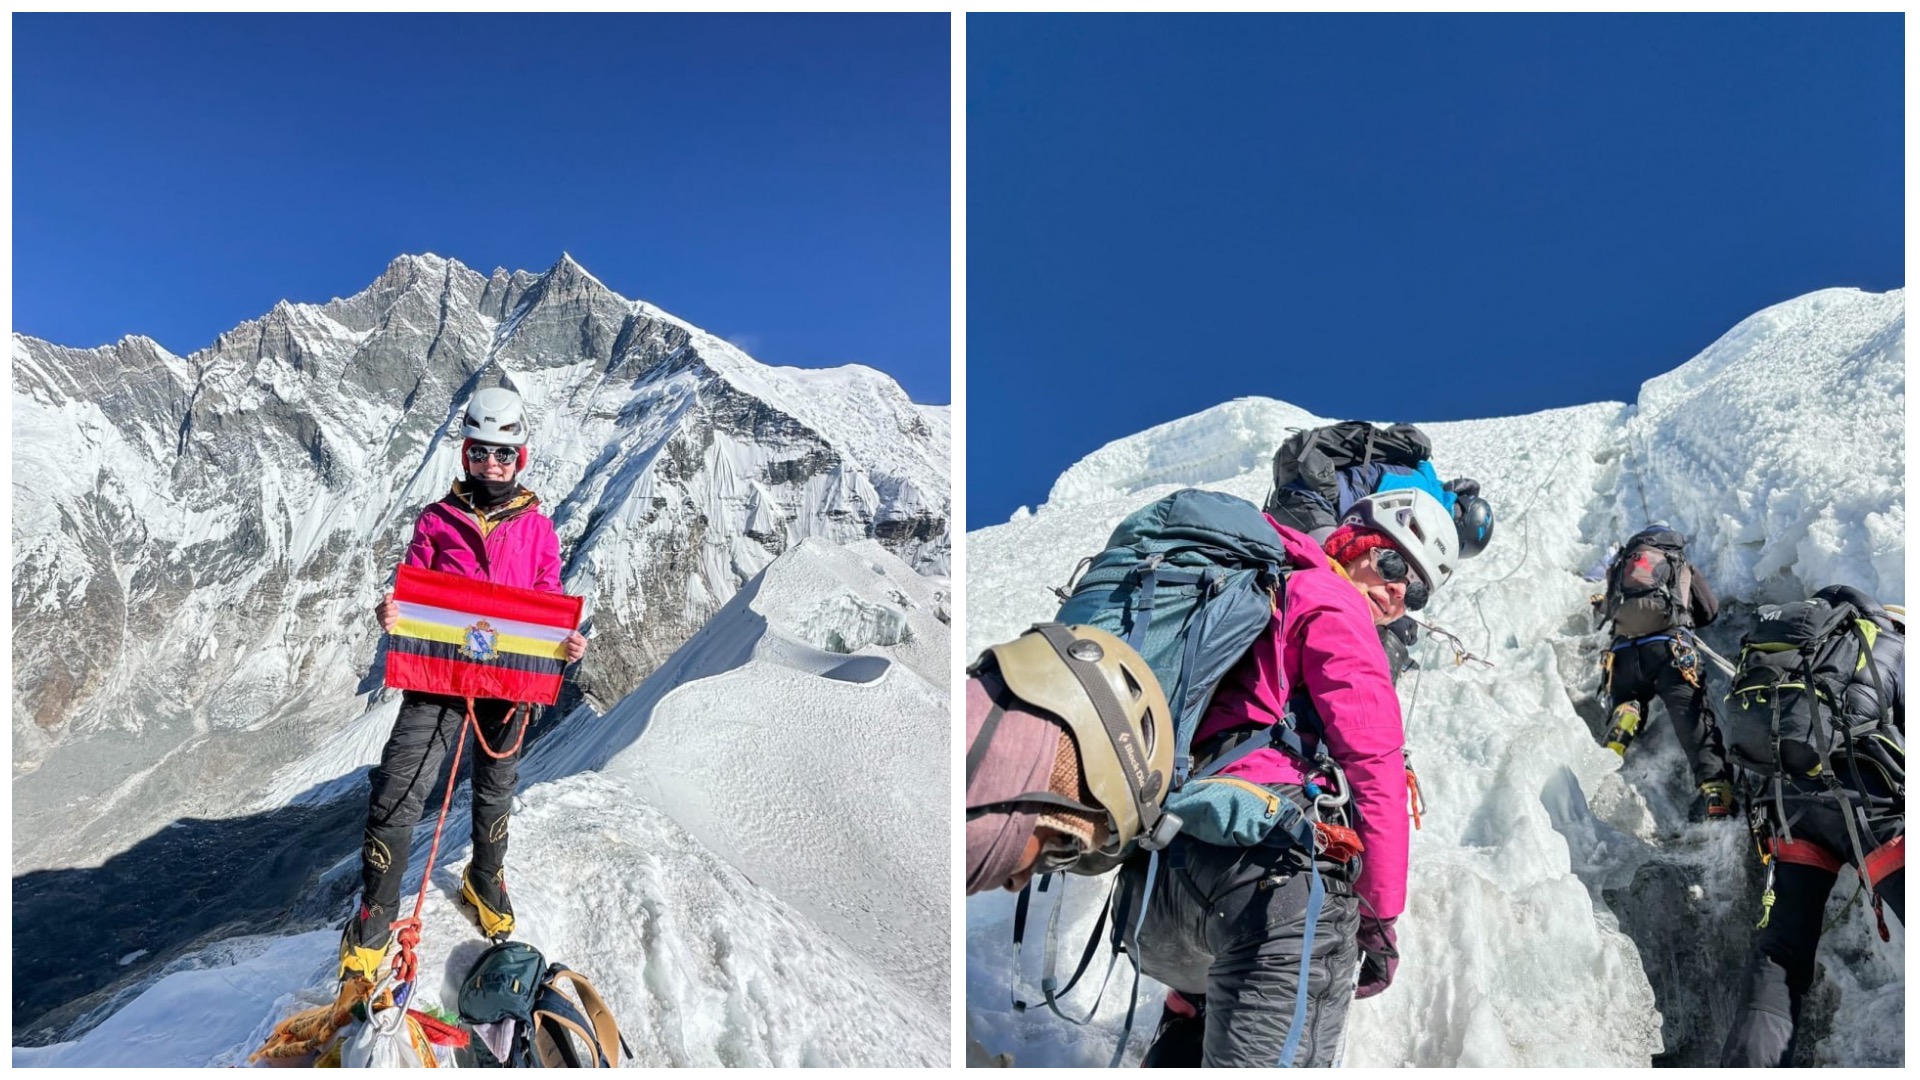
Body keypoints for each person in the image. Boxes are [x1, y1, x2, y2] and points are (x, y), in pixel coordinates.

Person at [968, 488, 1455, 1067]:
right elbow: (1372, 760)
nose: (1399, 591)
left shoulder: (1258, 593)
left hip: (1155, 899)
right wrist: (1379, 918)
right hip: (1268, 884)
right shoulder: (1328, 597)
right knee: (1310, 941)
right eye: (1393, 562)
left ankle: (1185, 1016)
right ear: (1350, 544)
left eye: (1416, 592)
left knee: (1203, 1011)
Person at [338, 386, 588, 982]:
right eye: (480, 453)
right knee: (399, 786)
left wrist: (564, 643)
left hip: (508, 678)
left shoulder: (538, 530)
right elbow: (416, 587)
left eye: (503, 455)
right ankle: (375, 916)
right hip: (440, 675)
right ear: (465, 455)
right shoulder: (437, 520)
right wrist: (393, 613)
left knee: (496, 784)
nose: (491, 466)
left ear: (520, 459)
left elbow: (548, 597)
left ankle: (484, 878)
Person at [1720, 585, 1904, 1067]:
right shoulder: (1893, 648)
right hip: (1872, 813)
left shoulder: (1793, 655)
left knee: (1780, 952)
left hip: (1791, 813)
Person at [1263, 421, 1491, 678]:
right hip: (1312, 501)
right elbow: (1367, 531)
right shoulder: (1421, 493)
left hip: (1313, 502)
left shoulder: (1423, 484)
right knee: (1328, 583)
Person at [1596, 523, 1735, 819]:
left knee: (1628, 700)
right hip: (1670, 651)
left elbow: (1608, 611)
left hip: (1622, 656)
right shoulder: (1678, 562)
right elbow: (1709, 611)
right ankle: (1715, 789)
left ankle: (1628, 710)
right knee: (1693, 717)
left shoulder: (1622, 565)